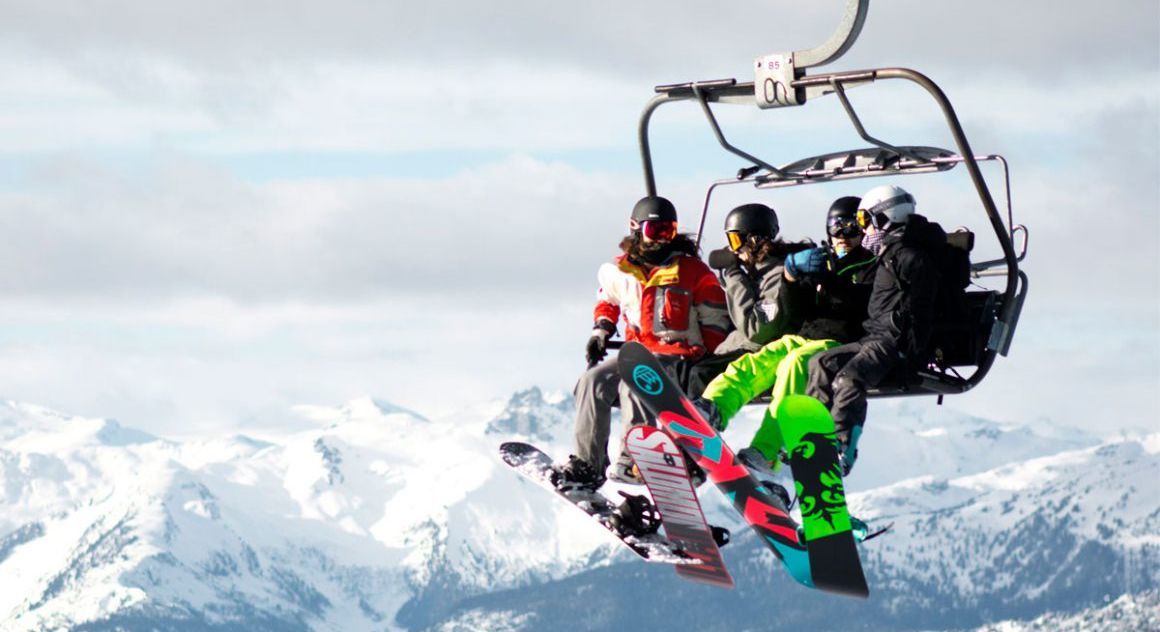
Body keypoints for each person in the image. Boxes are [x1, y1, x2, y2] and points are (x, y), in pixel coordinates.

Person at [552, 196, 731, 490]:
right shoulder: (619, 271)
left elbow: (715, 317)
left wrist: (707, 360)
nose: (661, 240)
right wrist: (601, 331)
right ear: (636, 229)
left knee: (637, 377)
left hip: (679, 357)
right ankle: (588, 463)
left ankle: (637, 458)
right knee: (592, 380)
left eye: (668, 231)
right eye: (654, 231)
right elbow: (607, 301)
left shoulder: (691, 272)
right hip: (637, 352)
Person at [694, 196, 878, 476]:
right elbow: (795, 310)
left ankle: (766, 452)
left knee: (794, 365)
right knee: (756, 362)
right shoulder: (823, 261)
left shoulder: (871, 267)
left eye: (851, 228)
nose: (842, 236)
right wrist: (792, 279)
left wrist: (829, 282)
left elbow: (864, 307)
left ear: (865, 230)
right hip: (805, 335)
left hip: (841, 341)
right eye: (835, 227)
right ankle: (713, 408)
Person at [805, 184, 948, 475]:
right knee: (820, 362)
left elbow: (924, 309)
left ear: (884, 218)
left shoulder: (912, 257)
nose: (864, 230)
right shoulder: (890, 252)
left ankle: (842, 444)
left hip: (894, 343)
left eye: (864, 221)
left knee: (849, 379)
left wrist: (913, 353)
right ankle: (813, 436)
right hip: (874, 337)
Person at [683, 203, 804, 398]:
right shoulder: (756, 272)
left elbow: (756, 330)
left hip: (765, 354)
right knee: (686, 370)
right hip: (744, 349)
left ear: (754, 239)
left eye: (735, 240)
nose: (732, 249)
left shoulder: (777, 276)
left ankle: (698, 425)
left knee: (701, 375)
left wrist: (733, 273)